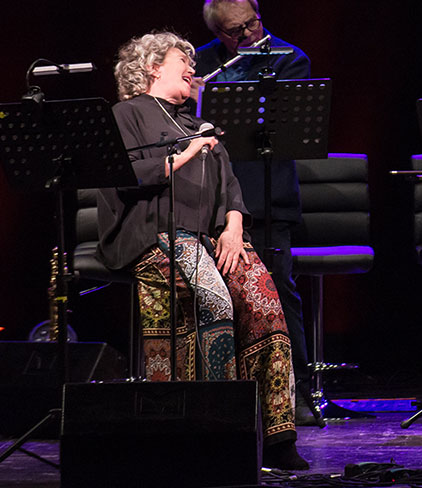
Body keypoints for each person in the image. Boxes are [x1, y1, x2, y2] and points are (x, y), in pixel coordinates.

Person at [95, 31, 308, 471]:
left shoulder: (197, 124)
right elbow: (131, 175)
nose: (193, 68)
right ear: (153, 67)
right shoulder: (126, 114)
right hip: (152, 234)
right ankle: (218, 430)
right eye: (181, 60)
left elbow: (230, 188)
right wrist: (191, 151)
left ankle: (276, 436)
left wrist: (234, 227)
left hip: (209, 239)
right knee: (211, 297)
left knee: (264, 299)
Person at [191, 0, 322, 425]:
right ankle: (232, 395)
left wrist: (208, 94)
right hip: (215, 200)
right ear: (219, 33)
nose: (249, 34)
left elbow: (274, 116)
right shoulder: (201, 60)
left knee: (280, 296)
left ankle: (296, 393)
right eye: (235, 31)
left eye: (253, 23)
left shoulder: (289, 57)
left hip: (268, 197)